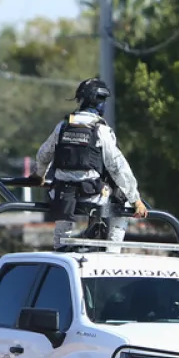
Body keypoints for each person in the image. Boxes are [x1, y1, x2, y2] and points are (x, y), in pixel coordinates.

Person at [34, 77, 146, 251]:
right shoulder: (101, 130)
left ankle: (60, 248)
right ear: (98, 101)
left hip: (62, 194)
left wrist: (39, 175)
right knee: (123, 201)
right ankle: (113, 252)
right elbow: (117, 167)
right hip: (92, 195)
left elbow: (43, 154)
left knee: (63, 215)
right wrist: (136, 200)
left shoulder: (62, 126)